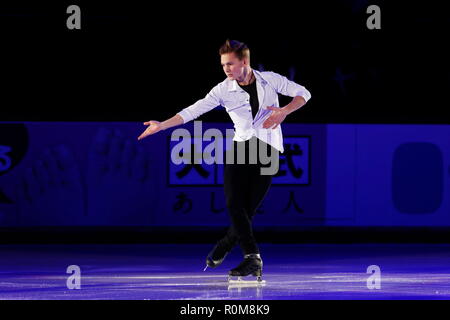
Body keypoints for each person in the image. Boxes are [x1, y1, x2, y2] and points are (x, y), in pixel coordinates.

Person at [138, 39, 311, 281]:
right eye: (223, 65)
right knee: (233, 203)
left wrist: (284, 111)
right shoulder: (222, 89)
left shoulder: (270, 79)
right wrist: (162, 125)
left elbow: (304, 93)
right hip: (241, 148)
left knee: (247, 210)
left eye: (230, 64)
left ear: (244, 62)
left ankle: (225, 246)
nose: (226, 69)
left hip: (268, 149)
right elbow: (193, 110)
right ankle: (252, 257)